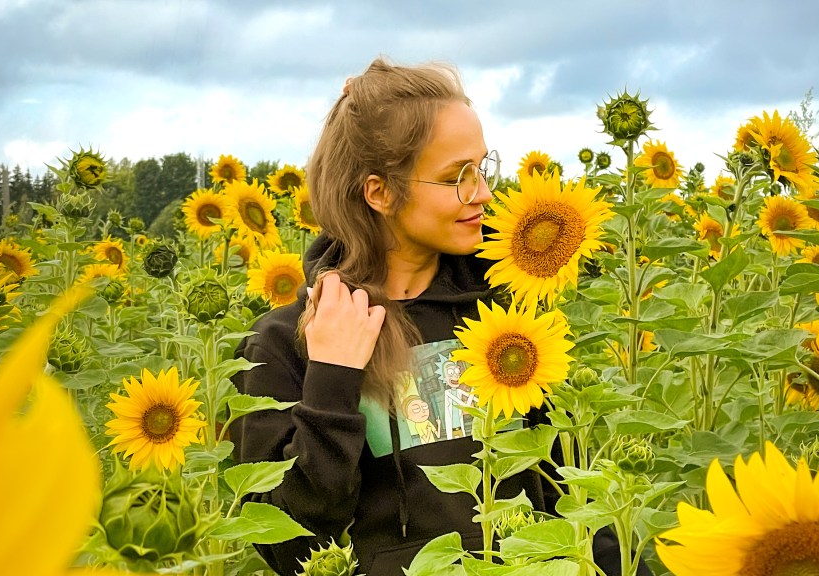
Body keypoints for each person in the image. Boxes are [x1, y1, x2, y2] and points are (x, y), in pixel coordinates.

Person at [231, 58, 642, 576]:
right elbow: (288, 548)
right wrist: (333, 378)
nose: (484, 194)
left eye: (482, 168)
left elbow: (570, 491)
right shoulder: (283, 344)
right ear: (380, 192)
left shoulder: (506, 311)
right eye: (456, 178)